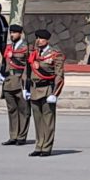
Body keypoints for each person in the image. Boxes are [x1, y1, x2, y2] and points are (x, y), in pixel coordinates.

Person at [27, 29, 65, 157]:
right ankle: (39, 145)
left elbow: (59, 74)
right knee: (38, 120)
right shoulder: (34, 53)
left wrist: (55, 93)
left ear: (47, 40)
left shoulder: (55, 54)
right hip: (34, 89)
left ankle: (47, 147)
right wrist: (25, 88)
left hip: (47, 89)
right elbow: (27, 72)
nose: (38, 40)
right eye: (37, 38)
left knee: (48, 120)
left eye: (41, 38)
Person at [0, 24, 31, 146]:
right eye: (11, 33)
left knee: (24, 110)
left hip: (20, 81)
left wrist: (26, 86)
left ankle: (22, 136)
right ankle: (13, 135)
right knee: (11, 110)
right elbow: (4, 63)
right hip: (8, 81)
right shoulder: (8, 47)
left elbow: (28, 67)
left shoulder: (25, 48)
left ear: (20, 33)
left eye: (14, 33)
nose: (12, 35)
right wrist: (0, 73)